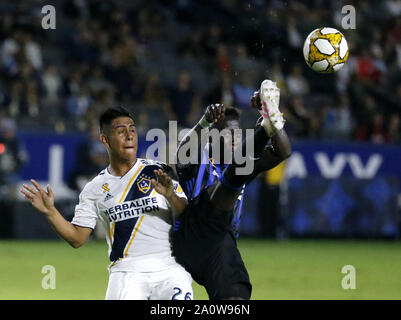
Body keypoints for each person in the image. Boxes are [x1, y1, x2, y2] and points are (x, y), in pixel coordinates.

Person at [20, 107, 193, 300]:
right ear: (105, 140)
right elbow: (77, 238)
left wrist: (171, 196)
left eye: (133, 130)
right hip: (127, 273)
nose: (129, 136)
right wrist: (51, 212)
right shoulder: (94, 189)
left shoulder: (158, 172)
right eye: (121, 131)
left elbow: (188, 219)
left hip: (171, 269)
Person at [168, 79, 292, 300]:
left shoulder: (244, 163)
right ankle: (263, 129)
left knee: (235, 298)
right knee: (232, 178)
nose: (235, 139)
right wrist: (204, 122)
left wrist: (272, 118)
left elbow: (283, 151)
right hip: (194, 233)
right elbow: (181, 155)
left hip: (220, 243)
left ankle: (266, 125)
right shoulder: (198, 163)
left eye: (238, 134)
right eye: (229, 134)